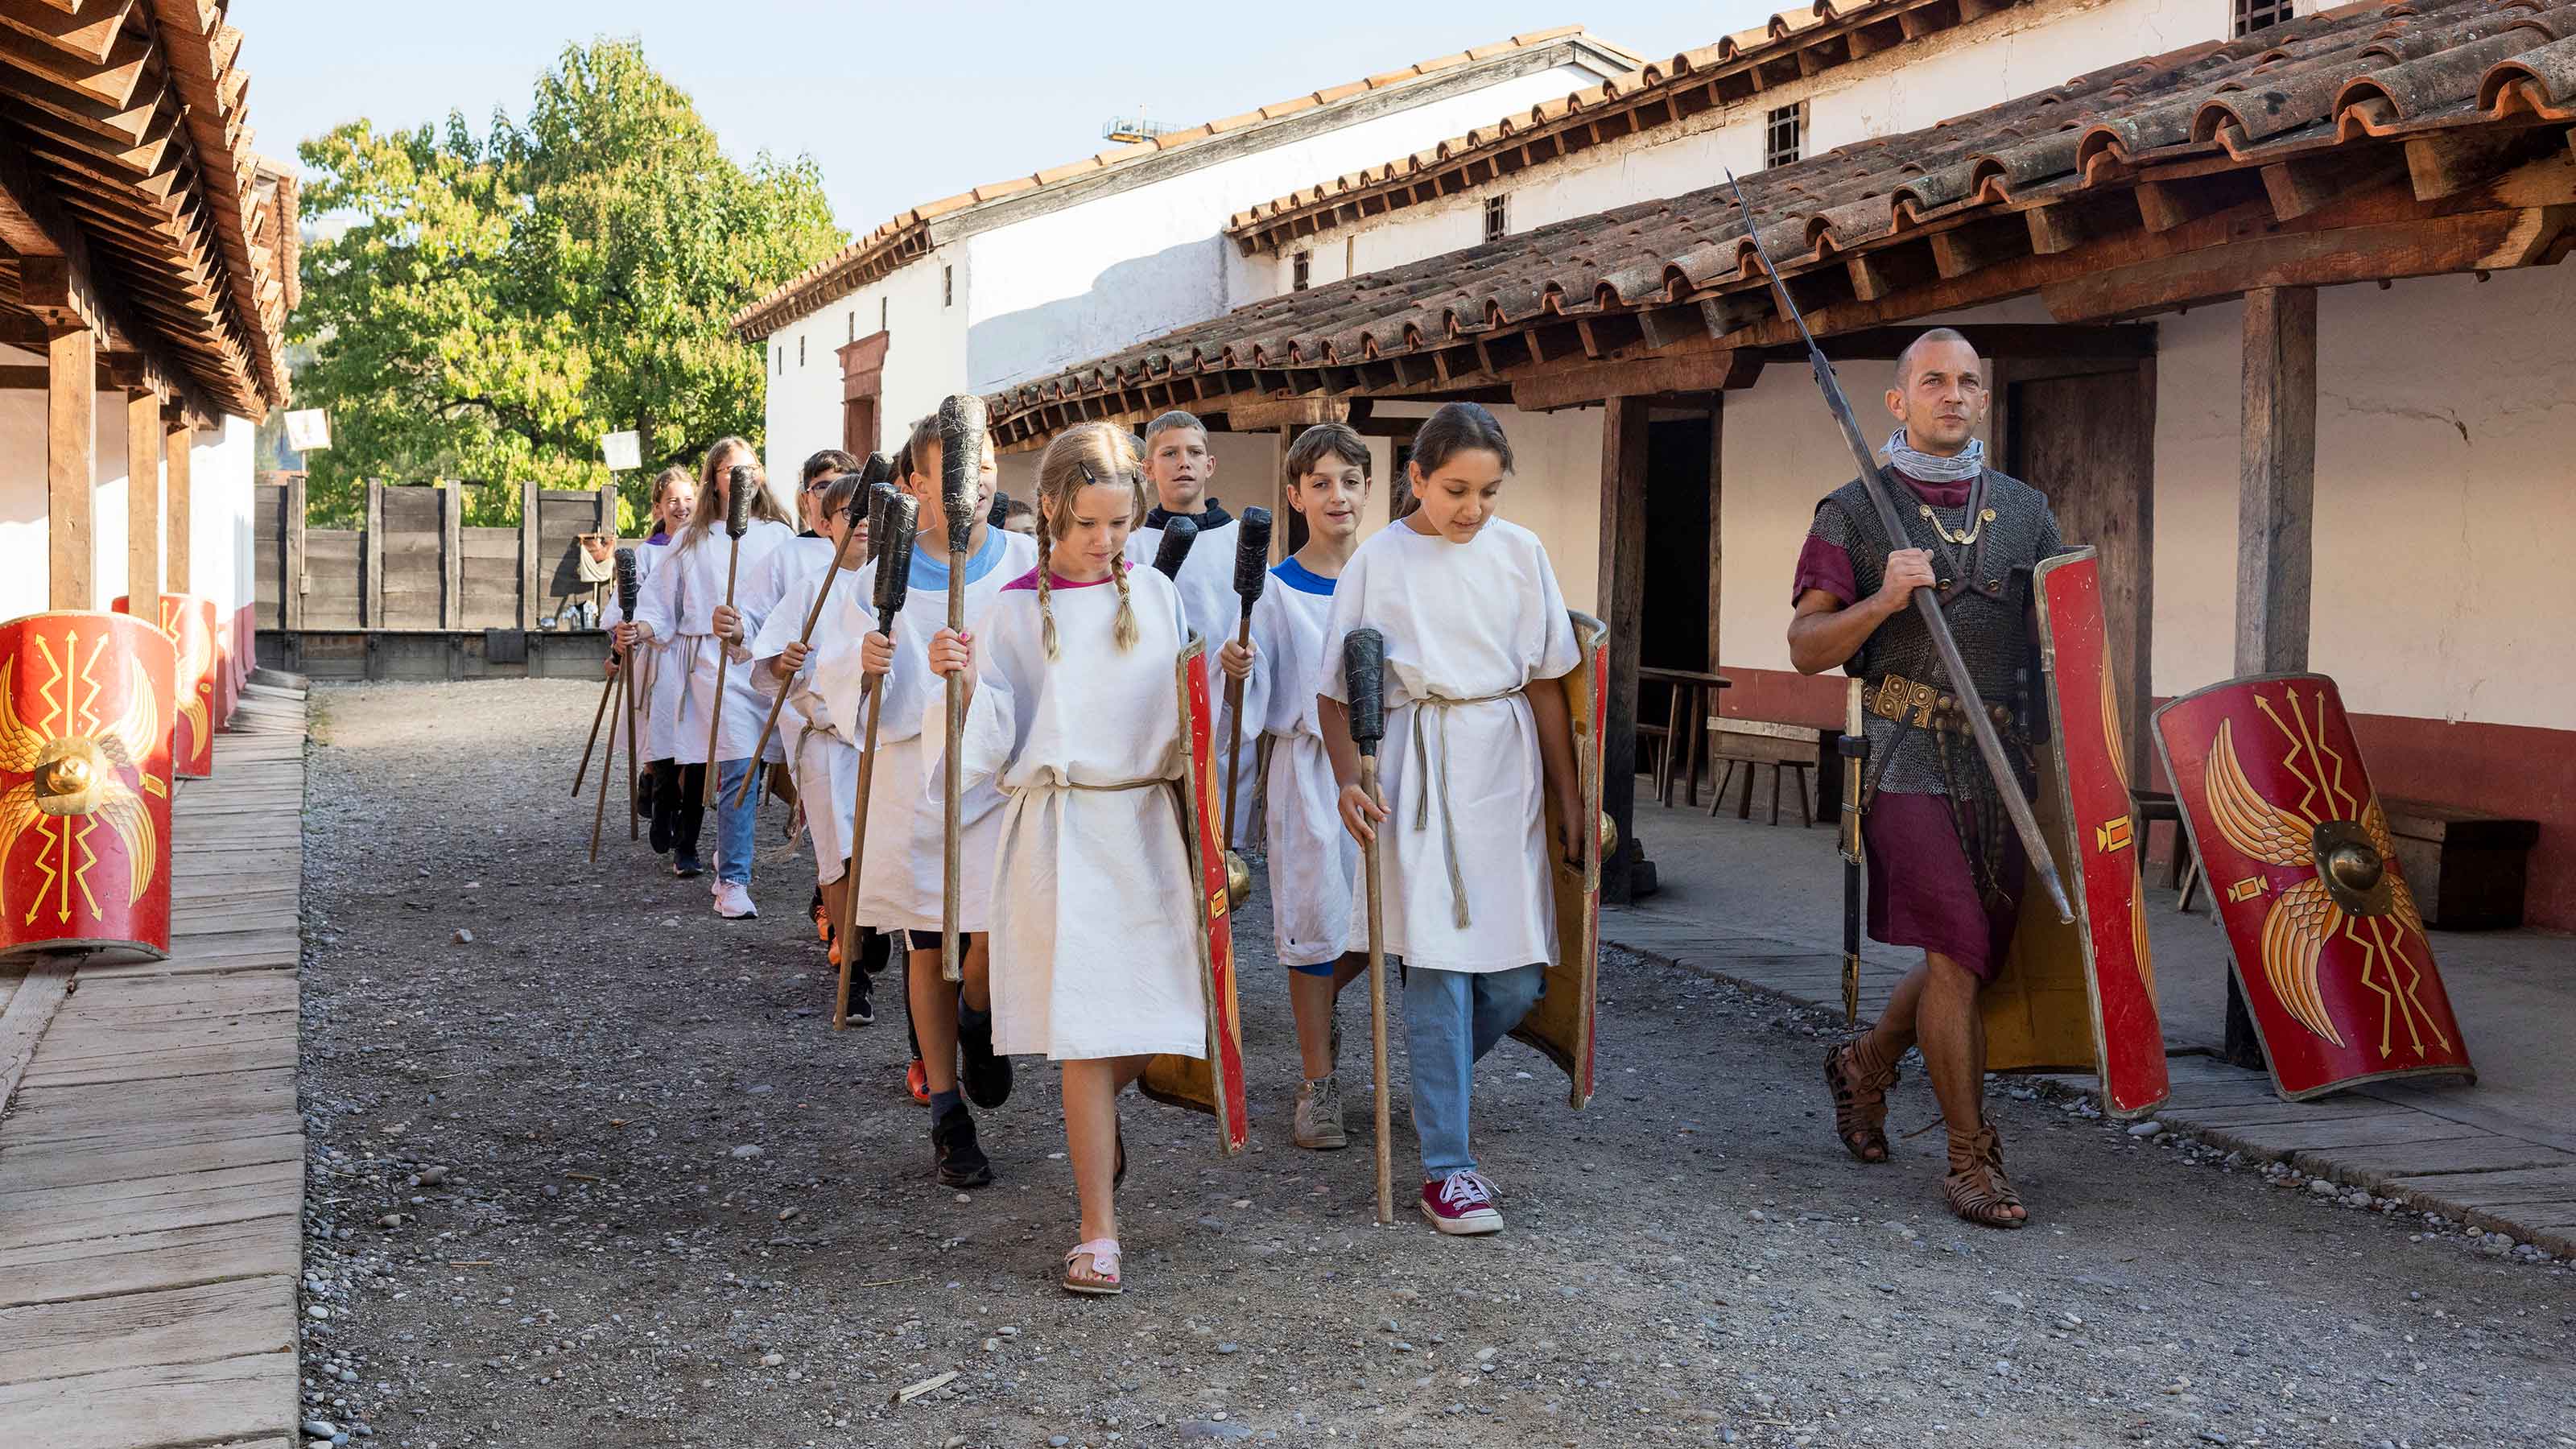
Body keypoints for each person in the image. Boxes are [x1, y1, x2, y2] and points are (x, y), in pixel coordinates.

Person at [1789, 326, 2065, 1231]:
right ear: (1897, 402)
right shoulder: (1855, 511)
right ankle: (1967, 1158)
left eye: (1969, 382)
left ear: (1983, 399)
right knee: (1952, 951)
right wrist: (1881, 599)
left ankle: (1866, 1061)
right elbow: (1803, 650)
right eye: (1933, 381)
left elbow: (2059, 645)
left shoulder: (2025, 512)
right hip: (1906, 754)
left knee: (1970, 957)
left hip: (2000, 767)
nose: (1953, 395)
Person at [931, 420, 1202, 1296]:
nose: (1105, 542)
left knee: (1152, 1028)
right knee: (1085, 1034)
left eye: (1120, 524)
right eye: (1088, 524)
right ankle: (1097, 1228)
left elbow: (1186, 721)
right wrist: (964, 682)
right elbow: (991, 735)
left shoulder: (1157, 596)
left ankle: (1096, 1122)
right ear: (1050, 510)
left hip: (1145, 828)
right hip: (1058, 832)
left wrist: (1219, 680)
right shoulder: (1009, 607)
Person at [1316, 402, 1582, 1236]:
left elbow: (1545, 681)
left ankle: (1435, 1083)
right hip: (1415, 765)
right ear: (1417, 479)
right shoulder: (1378, 561)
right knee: (1435, 965)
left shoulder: (1521, 552)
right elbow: (1334, 689)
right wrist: (1344, 780)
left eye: (1488, 492)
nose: (1471, 509)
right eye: (1455, 489)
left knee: (1513, 976)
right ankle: (1447, 1169)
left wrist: (1569, 797)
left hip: (1502, 766)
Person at [824, 411, 1036, 1186]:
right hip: (918, 785)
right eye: (947, 473)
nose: (967, 486)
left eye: (978, 467)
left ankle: (981, 1018)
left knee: (992, 935)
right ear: (914, 485)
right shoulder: (883, 573)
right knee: (926, 942)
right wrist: (869, 663)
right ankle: (948, 1110)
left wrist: (982, 686)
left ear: (995, 468)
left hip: (1003, 780)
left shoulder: (1027, 563)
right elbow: (844, 687)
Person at [1219, 423, 1374, 1150]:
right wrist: (1239, 674)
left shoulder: (1389, 576)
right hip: (1309, 775)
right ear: (1295, 494)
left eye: (1349, 480)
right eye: (1320, 483)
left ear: (1369, 489)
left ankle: (1325, 1007)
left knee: (1385, 923)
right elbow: (1255, 708)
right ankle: (1319, 1084)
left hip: (1387, 766)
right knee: (1315, 926)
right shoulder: (1276, 591)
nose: (1336, 495)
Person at [621, 437, 796, 919]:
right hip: (713, 664)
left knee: (760, 766)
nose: (744, 479)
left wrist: (757, 631)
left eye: (752, 468)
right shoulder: (691, 540)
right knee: (738, 766)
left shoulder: (780, 536)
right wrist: (643, 627)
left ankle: (728, 846)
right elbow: (662, 603)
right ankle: (734, 879)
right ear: (713, 481)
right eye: (731, 471)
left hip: (768, 661)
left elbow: (792, 602)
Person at [750, 471, 882, 1022]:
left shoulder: (895, 583)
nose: (862, 523)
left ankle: (869, 930)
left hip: (884, 743)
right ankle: (851, 973)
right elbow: (772, 665)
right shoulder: (810, 591)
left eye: (871, 512)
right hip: (828, 743)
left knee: (881, 850)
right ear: (824, 525)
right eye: (850, 513)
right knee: (837, 855)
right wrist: (783, 662)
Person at [1123, 411, 1256, 844]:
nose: (1184, 462)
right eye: (1170, 453)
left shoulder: (1241, 539)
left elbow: (1257, 621)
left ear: (1210, 465)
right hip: (1155, 706)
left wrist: (1244, 663)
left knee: (1221, 849)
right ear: (1147, 469)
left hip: (1226, 705)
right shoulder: (1132, 541)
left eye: (1194, 453)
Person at [606, 466, 697, 865]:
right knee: (663, 738)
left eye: (688, 499)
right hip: (660, 656)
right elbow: (625, 611)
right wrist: (620, 645)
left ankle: (688, 841)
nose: (681, 507)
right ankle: (661, 797)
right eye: (672, 500)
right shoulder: (648, 553)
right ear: (659, 507)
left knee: (695, 747)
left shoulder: (708, 546)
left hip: (700, 656)